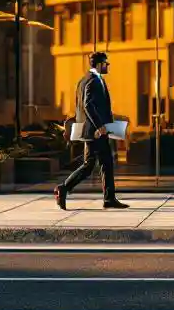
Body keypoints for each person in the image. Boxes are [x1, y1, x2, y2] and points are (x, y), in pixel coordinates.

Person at [54, 52, 129, 210]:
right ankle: (64, 188)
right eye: (106, 64)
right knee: (94, 164)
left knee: (103, 163)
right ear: (100, 64)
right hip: (95, 132)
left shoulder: (85, 80)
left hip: (94, 130)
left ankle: (109, 198)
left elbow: (81, 106)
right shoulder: (93, 81)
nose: (107, 66)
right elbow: (87, 104)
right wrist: (99, 125)